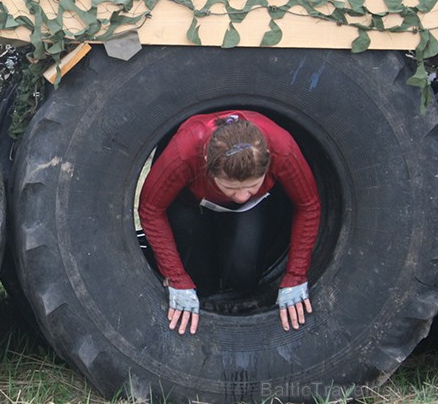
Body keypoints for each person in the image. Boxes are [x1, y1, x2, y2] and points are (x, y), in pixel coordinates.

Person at [138, 111, 321, 335]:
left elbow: (308, 205)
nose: (242, 195)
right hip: (190, 203)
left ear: (268, 158)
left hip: (253, 208)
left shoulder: (282, 149)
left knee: (244, 274)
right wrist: (177, 277)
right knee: (198, 277)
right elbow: (151, 209)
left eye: (252, 185)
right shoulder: (184, 152)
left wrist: (295, 276)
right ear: (207, 164)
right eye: (231, 188)